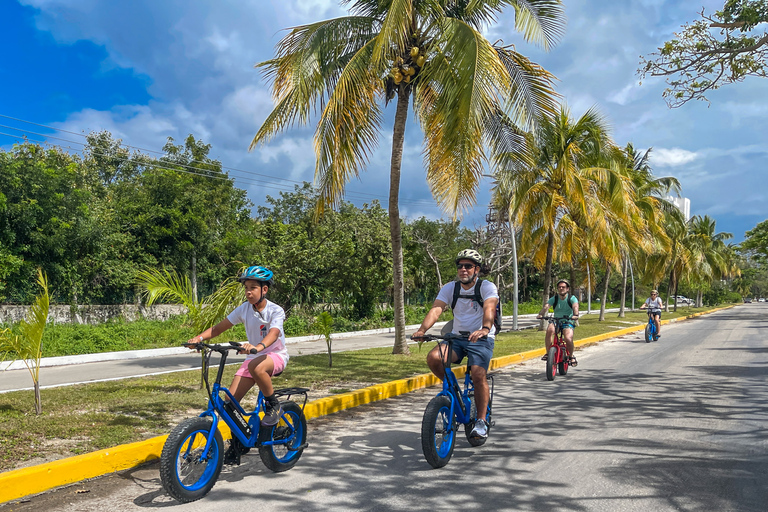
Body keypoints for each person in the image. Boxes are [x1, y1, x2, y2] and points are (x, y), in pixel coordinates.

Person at [412, 249, 499, 440]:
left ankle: (481, 421)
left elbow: (489, 308)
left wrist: (485, 328)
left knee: (477, 374)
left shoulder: (487, 287)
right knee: (434, 358)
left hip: (482, 338)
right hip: (457, 337)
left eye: (468, 266)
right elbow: (437, 309)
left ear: (477, 269)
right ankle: (453, 391)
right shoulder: (451, 288)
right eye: (460, 266)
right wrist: (422, 330)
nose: (463, 270)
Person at [188, 265, 289, 428]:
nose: (248, 292)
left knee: (256, 366)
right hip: (254, 356)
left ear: (264, 289)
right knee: (229, 405)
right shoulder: (244, 309)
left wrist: (258, 346)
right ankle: (238, 444)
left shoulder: (275, 310)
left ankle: (274, 406)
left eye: (253, 288)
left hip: (275, 355)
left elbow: (274, 333)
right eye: (246, 288)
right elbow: (218, 328)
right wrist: (198, 338)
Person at [536, 279, 580, 366]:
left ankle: (571, 356)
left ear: (567, 289)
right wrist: (541, 314)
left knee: (568, 338)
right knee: (549, 330)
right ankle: (549, 353)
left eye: (563, 287)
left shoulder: (572, 298)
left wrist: (576, 314)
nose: (561, 288)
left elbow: (575, 306)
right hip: (556, 320)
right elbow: (546, 306)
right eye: (559, 287)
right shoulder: (554, 298)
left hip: (568, 321)